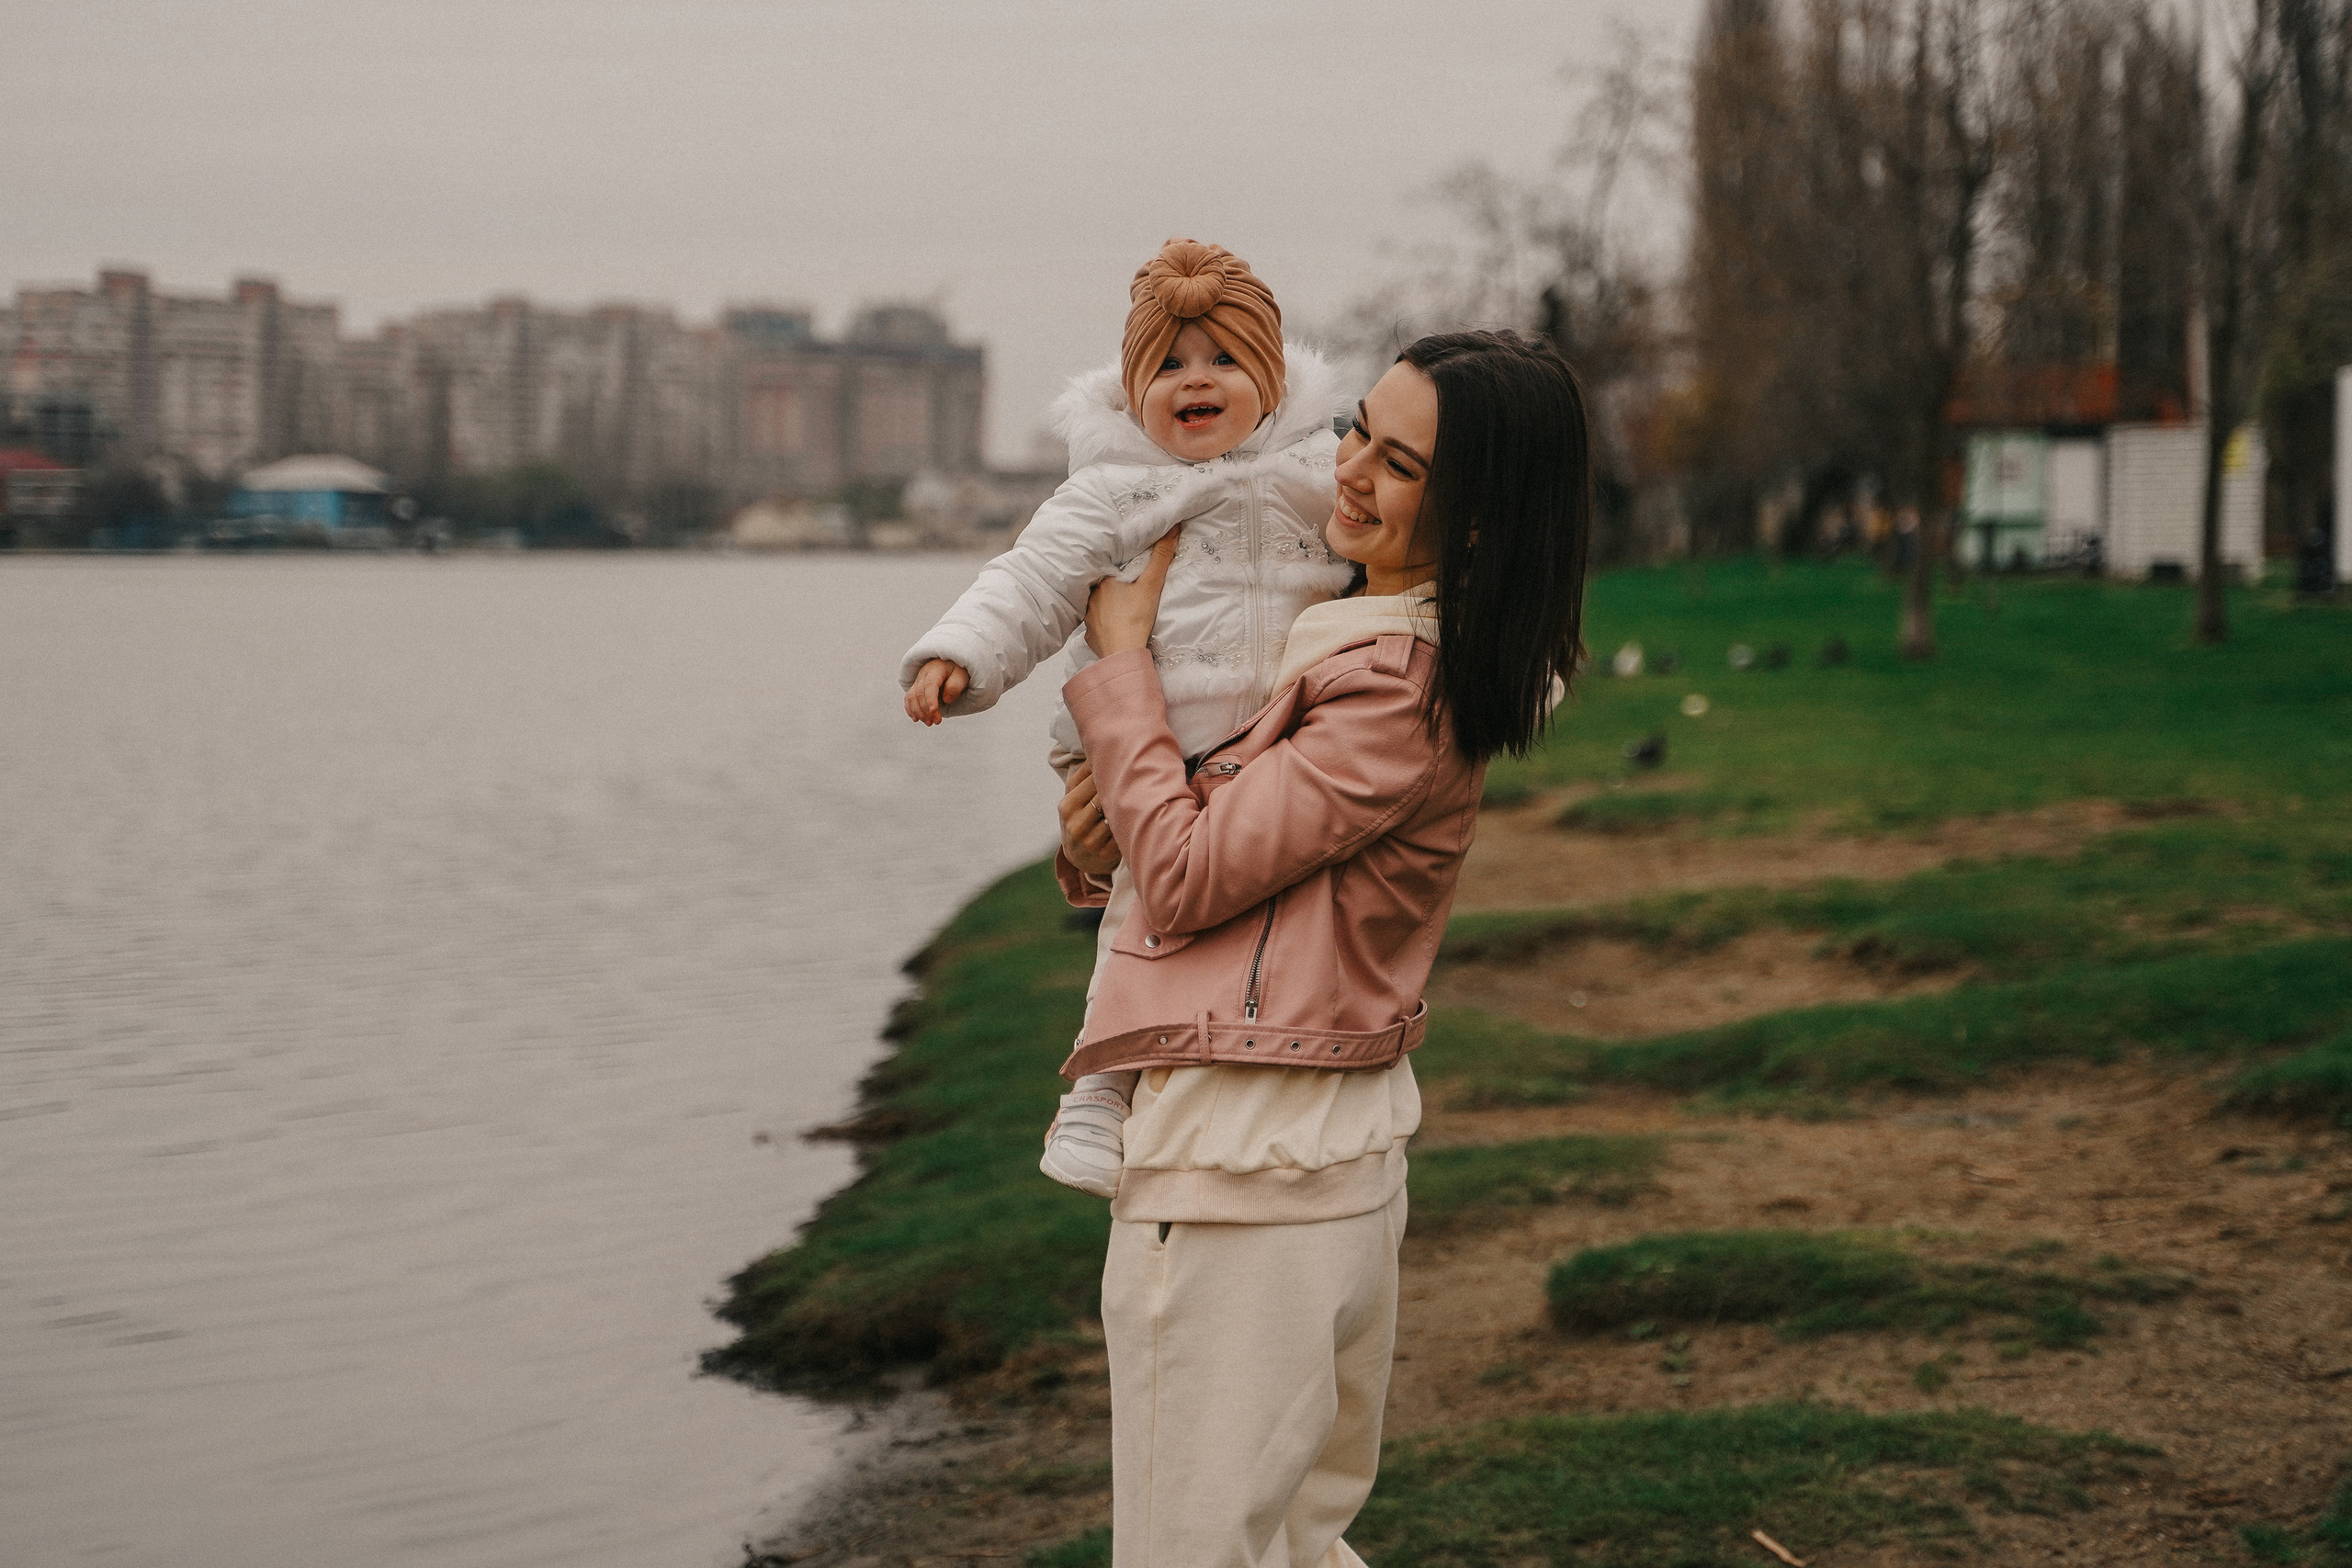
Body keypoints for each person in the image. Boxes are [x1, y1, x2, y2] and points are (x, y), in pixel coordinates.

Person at [1055, 330, 1592, 1568]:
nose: (1347, 466)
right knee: (1295, 1541)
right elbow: (1216, 858)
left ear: (1473, 523)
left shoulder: (1394, 683)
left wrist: (1123, 660)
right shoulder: (1358, 639)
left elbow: (1186, 874)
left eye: (1398, 465)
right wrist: (1095, 831)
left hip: (1246, 1175)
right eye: (1358, 426)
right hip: (1322, 1162)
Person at [897, 238, 1356, 1197]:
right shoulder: (1110, 493)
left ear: (1272, 379)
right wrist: (958, 654)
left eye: (1225, 360)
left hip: (1279, 745)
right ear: (1134, 388)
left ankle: (1273, 1049)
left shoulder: (1321, 472)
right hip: (1159, 746)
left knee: (1270, 913)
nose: (1199, 381)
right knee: (1140, 922)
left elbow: (1397, 546)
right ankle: (1098, 1093)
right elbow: (1027, 582)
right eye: (1171, 366)